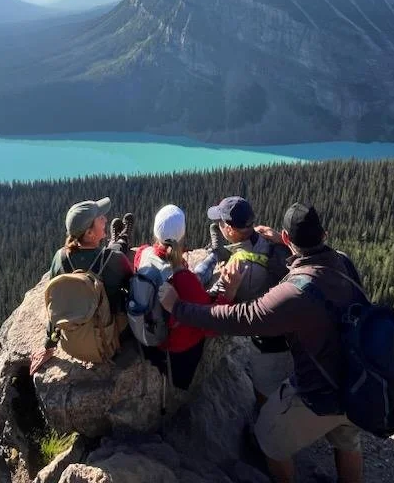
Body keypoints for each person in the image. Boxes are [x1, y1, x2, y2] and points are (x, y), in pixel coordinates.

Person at [159, 202, 365, 483]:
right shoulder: (344, 262)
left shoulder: (294, 292)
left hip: (321, 388)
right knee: (347, 441)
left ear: (285, 238)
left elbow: (239, 318)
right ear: (325, 235)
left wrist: (178, 308)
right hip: (356, 378)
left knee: (267, 435)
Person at [196, 195, 293, 404]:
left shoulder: (237, 268)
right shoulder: (265, 239)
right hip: (289, 328)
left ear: (230, 230)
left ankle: (265, 426)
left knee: (265, 389)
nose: (218, 225)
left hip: (266, 341)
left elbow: (212, 307)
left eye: (220, 222)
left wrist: (226, 286)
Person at [134, 204, 240, 390]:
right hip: (177, 351)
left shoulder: (143, 253)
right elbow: (211, 325)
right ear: (182, 235)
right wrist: (228, 293)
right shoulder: (183, 279)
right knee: (202, 281)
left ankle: (214, 253)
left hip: (150, 333)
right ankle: (214, 253)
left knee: (198, 275)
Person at [29, 197, 132, 374]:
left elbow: (55, 304)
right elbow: (133, 284)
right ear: (90, 234)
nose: (105, 219)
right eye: (101, 219)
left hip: (73, 345)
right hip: (109, 343)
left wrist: (49, 345)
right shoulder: (114, 260)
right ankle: (122, 239)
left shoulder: (60, 258)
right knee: (117, 253)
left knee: (112, 252)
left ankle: (120, 239)